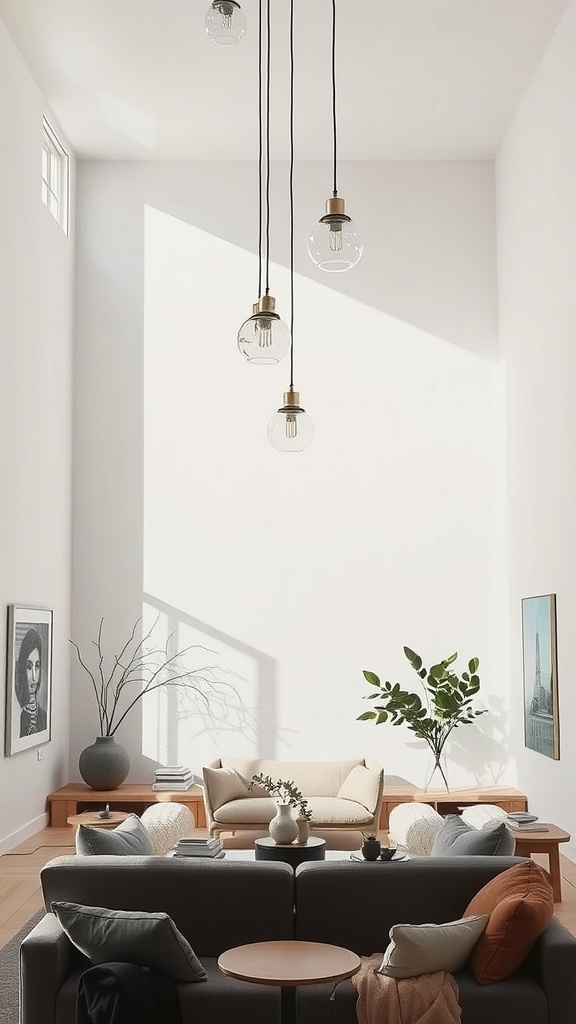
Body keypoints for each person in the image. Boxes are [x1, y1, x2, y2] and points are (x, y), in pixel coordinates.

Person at [15, 627, 47, 737]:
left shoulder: (43, 715)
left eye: (37, 666)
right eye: (29, 666)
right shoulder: (18, 713)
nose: (34, 676)